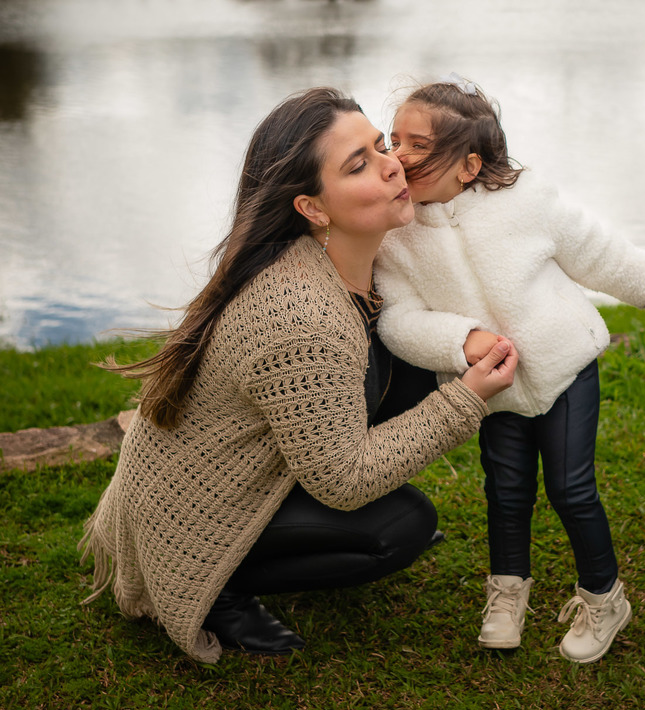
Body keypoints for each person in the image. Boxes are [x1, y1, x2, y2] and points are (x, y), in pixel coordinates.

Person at [78, 87, 519, 664]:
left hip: (257, 466)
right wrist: (466, 399)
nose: (394, 165)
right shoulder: (300, 316)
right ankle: (220, 593)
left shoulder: (349, 256)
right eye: (359, 164)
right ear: (312, 208)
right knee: (401, 526)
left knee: (413, 361)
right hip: (190, 517)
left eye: (381, 145)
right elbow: (345, 479)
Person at [374, 75, 645, 664]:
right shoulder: (397, 236)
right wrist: (461, 341)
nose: (398, 156)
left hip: (564, 368)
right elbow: (398, 320)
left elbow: (591, 247)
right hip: (493, 388)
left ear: (469, 165)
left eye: (416, 144)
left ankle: (603, 596)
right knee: (506, 492)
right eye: (393, 140)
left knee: (570, 489)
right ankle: (507, 594)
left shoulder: (525, 200)